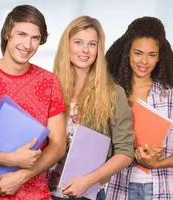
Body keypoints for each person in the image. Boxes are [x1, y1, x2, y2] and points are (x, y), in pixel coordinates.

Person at [0, 5, 67, 200]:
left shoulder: (49, 81)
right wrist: (10, 159)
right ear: (8, 33)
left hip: (37, 195)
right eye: (22, 34)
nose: (28, 44)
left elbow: (58, 145)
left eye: (35, 38)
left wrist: (21, 176)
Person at [105, 16, 173, 200]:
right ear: (128, 53)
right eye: (138, 53)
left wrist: (156, 163)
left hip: (163, 189)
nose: (144, 61)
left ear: (159, 57)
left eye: (151, 55)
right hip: (120, 187)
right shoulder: (110, 95)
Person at [47, 15, 135, 200]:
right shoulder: (48, 87)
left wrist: (88, 180)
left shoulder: (113, 93)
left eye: (92, 44)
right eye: (78, 42)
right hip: (44, 192)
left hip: (86, 194)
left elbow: (125, 152)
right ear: (67, 45)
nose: (85, 50)